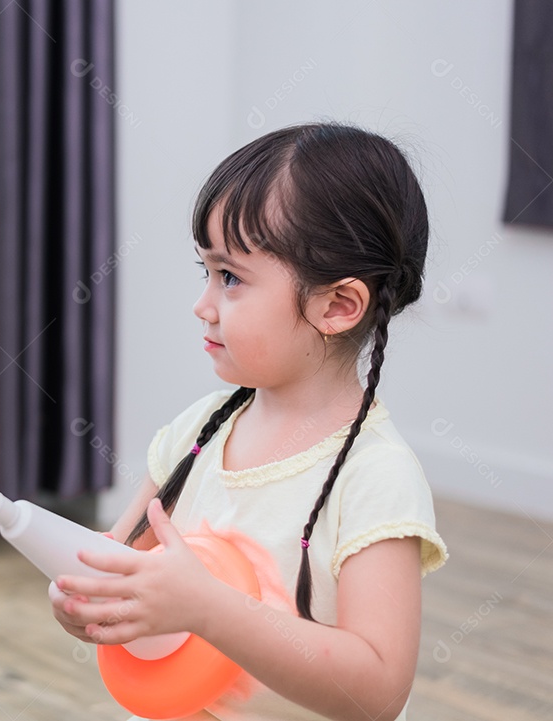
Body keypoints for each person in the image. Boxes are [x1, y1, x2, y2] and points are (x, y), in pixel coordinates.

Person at [50, 124, 448, 720]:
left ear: (337, 306)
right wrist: (89, 598)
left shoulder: (377, 478)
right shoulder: (199, 431)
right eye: (205, 271)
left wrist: (209, 609)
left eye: (230, 277)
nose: (202, 304)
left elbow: (378, 690)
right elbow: (121, 561)